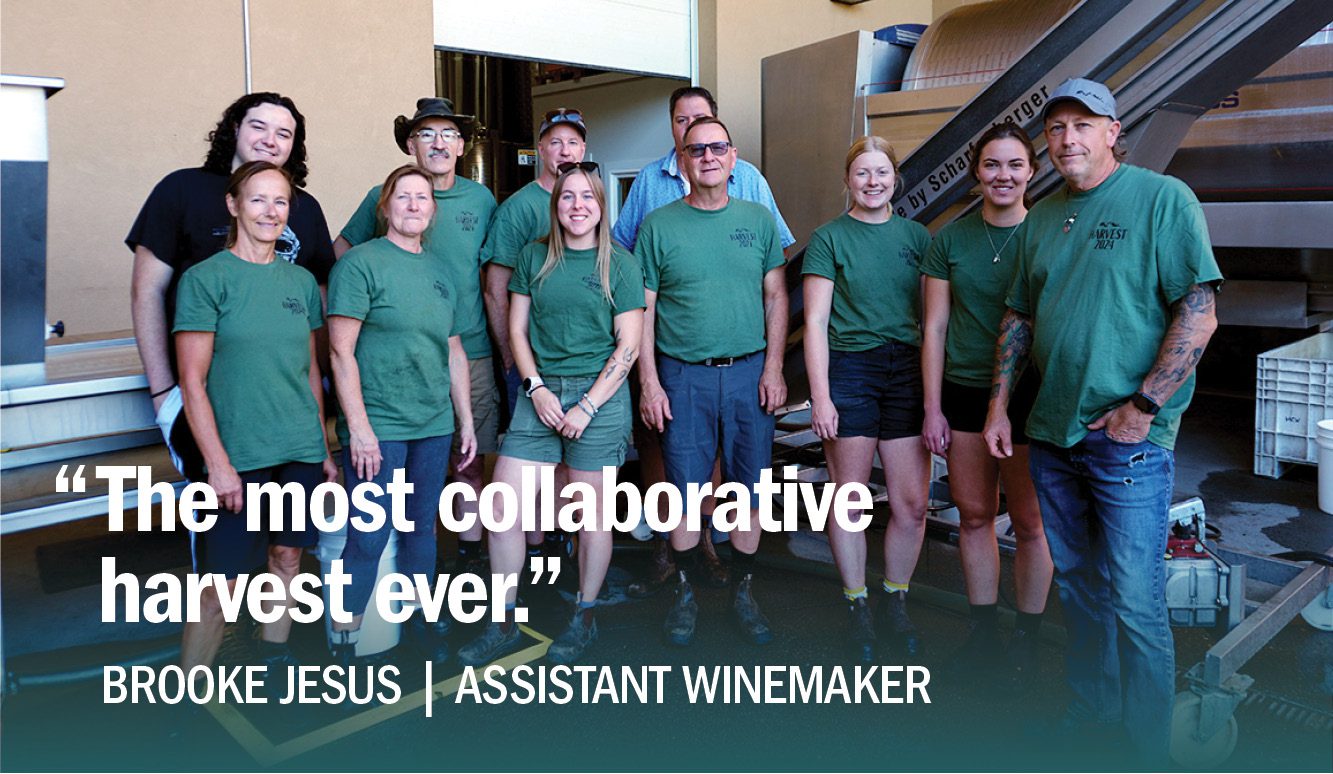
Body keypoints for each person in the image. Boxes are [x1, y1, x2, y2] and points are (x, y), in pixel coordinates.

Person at [983, 78, 1221, 763]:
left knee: (1133, 601)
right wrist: (1000, 405)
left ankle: (1144, 750)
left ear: (1113, 130)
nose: (1067, 139)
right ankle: (1089, 717)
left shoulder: (1160, 199)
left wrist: (1142, 406)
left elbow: (1198, 313)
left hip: (1127, 446)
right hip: (1053, 435)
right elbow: (1019, 315)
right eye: (1055, 129)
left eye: (1082, 125)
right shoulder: (1041, 217)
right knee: (1082, 592)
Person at [457, 162, 644, 666]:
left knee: (592, 518)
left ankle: (584, 615)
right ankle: (502, 623)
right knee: (502, 511)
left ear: (602, 206)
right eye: (567, 197)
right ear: (555, 205)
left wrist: (587, 404)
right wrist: (535, 387)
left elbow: (629, 345)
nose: (577, 205)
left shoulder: (620, 265)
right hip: (536, 395)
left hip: (599, 400)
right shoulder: (533, 256)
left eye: (587, 197)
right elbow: (517, 332)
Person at [613, 85, 796, 598]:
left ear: (733, 157)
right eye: (697, 149)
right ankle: (686, 592)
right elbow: (641, 310)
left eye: (718, 148)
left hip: (747, 372)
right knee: (685, 493)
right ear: (682, 159)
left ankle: (743, 593)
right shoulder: (656, 224)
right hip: (682, 374)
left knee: (748, 494)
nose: (708, 157)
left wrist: (774, 367)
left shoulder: (757, 219)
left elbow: (777, 297)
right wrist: (648, 383)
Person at [172, 161, 337, 687]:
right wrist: (217, 465)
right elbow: (192, 384)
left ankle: (273, 656)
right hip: (238, 458)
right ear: (234, 204)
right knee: (220, 585)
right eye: (259, 199)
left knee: (287, 557)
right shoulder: (204, 280)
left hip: (299, 451)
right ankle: (188, 695)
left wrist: (323, 448)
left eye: (280, 201)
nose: (271, 211)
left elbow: (311, 371)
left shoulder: (302, 284)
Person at [129, 92, 336, 481]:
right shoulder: (181, 190)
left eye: (284, 133)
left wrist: (321, 388)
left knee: (287, 529)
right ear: (235, 129)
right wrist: (163, 393)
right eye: (258, 126)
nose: (270, 140)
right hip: (206, 397)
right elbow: (146, 292)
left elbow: (319, 305)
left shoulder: (304, 208)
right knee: (224, 512)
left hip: (286, 406)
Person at [334, 98, 498, 577]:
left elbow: (492, 272)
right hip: (392, 366)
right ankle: (361, 623)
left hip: (464, 353)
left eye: (448, 134)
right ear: (411, 143)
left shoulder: (480, 200)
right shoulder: (380, 202)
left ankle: (464, 569)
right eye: (427, 134)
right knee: (382, 508)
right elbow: (342, 254)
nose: (439, 142)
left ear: (462, 145)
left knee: (464, 469)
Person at [327, 165, 477, 665]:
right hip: (379, 428)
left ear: (433, 210)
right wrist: (361, 430)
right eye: (403, 197)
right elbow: (340, 353)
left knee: (421, 530)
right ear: (385, 206)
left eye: (423, 198)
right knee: (368, 536)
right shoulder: (361, 265)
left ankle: (420, 622)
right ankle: (344, 643)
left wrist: (466, 421)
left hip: (432, 425)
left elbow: (453, 350)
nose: (414, 205)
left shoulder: (440, 272)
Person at [920, 123, 1052, 677]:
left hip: (1033, 394)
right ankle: (983, 631)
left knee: (1029, 522)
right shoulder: (949, 240)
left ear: (1031, 170)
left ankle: (1028, 632)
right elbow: (935, 327)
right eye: (992, 165)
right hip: (964, 392)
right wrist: (932, 408)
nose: (1003, 175)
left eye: (1015, 165)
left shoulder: (1049, 231)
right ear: (976, 171)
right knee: (975, 515)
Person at [803, 136, 933, 662]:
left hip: (906, 368)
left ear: (895, 179)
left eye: (882, 173)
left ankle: (895, 597)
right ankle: (857, 600)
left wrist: (933, 396)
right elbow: (813, 321)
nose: (873, 182)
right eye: (862, 173)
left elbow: (933, 320)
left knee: (912, 503)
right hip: (851, 368)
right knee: (850, 497)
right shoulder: (828, 239)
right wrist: (821, 396)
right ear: (847, 181)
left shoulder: (919, 237)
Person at [481, 107, 588, 561]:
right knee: (530, 467)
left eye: (574, 143)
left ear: (585, 150)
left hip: (580, 365)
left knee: (570, 466)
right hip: (531, 365)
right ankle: (534, 550)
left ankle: (559, 551)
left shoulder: (589, 201)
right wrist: (509, 354)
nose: (564, 151)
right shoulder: (519, 208)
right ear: (540, 149)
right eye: (555, 143)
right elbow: (495, 287)